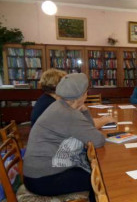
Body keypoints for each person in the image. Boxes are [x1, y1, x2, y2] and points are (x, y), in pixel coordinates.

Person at [23, 73, 113, 202]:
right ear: (83, 95)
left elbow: (88, 129)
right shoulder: (68, 114)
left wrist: (84, 110)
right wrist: (84, 113)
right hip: (44, 179)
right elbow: (98, 140)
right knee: (101, 180)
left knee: (96, 172)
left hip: (39, 173)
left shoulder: (60, 106)